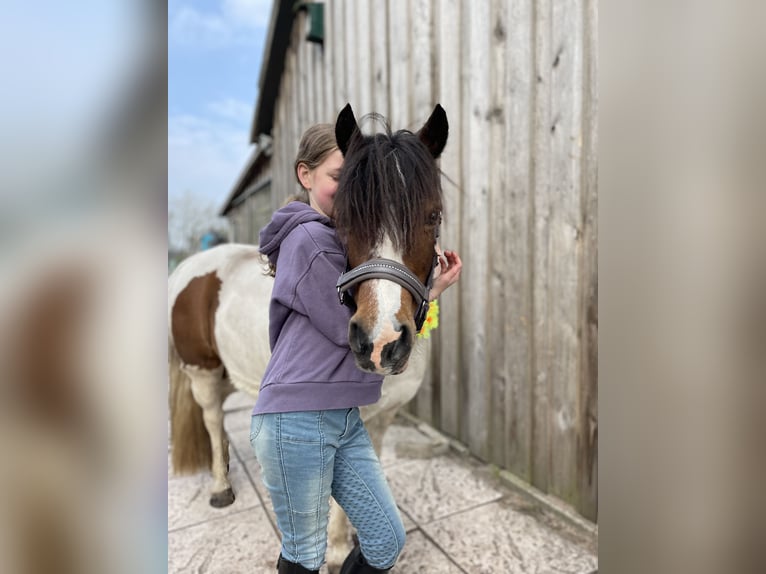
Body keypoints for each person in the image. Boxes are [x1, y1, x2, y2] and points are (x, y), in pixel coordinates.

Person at [251, 124, 462, 574]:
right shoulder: (307, 239)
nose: (349, 190)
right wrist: (427, 299)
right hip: (295, 419)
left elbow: (381, 295)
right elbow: (348, 327)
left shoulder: (345, 241)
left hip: (342, 416)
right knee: (306, 552)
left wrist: (428, 286)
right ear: (305, 176)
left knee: (386, 538)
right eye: (338, 178)